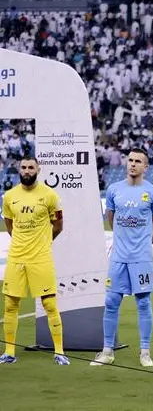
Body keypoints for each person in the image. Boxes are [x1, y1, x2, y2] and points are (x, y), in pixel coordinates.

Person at [92, 148, 153, 368]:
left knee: (143, 302)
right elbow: (111, 221)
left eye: (138, 161)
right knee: (111, 301)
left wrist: (141, 245)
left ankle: (145, 352)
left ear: (146, 166)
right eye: (130, 160)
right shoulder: (114, 190)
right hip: (118, 257)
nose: (133, 164)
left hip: (141, 257)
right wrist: (123, 242)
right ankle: (107, 351)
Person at [0, 156, 68, 365]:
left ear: (39, 169)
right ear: (19, 170)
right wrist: (22, 242)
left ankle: (60, 352)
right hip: (17, 257)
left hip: (40, 257)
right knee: (10, 304)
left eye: (31, 167)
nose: (27, 171)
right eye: (24, 167)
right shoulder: (9, 196)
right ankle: (9, 352)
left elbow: (58, 225)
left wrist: (44, 242)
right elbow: (9, 223)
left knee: (49, 304)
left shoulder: (50, 195)